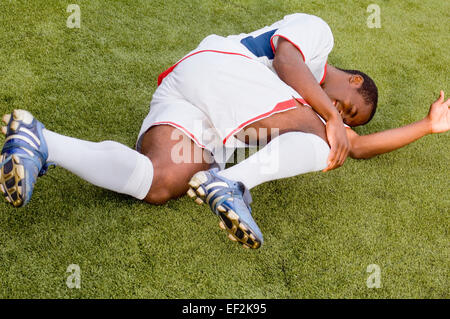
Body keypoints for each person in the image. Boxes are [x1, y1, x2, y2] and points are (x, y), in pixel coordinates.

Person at [1, 14, 448, 249]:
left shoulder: (322, 115)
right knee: (321, 134)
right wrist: (330, 115)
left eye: (346, 116)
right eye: (348, 106)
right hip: (221, 70)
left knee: (157, 182)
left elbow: (355, 145)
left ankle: (42, 141)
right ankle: (232, 183)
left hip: (202, 109)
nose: (341, 115)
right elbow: (289, 62)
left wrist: (427, 126)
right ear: (351, 80)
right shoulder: (318, 36)